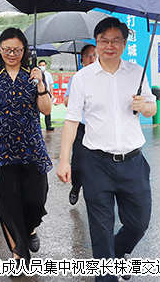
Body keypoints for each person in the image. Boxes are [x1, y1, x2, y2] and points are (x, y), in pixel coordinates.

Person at [56, 17, 156, 282]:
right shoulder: (82, 78)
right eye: (103, 40)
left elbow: (152, 108)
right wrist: (64, 160)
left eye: (115, 41)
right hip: (96, 163)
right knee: (100, 229)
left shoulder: (137, 72)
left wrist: (142, 106)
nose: (109, 46)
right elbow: (71, 120)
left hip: (133, 161)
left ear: (124, 43)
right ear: (96, 42)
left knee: (139, 222)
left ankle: (118, 251)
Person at [0, 28, 52, 264]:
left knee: (36, 201)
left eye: (17, 50)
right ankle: (18, 253)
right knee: (8, 206)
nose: (11, 54)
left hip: (32, 148)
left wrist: (40, 83)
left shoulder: (32, 75)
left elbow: (46, 109)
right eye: (6, 50)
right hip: (2, 151)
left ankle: (31, 228)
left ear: (25, 50)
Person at [62, 43, 98, 206]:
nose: (91, 59)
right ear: (82, 60)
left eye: (94, 55)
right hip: (81, 128)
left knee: (98, 165)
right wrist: (79, 97)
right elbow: (66, 101)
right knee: (77, 164)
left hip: (98, 128)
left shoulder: (104, 77)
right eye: (88, 56)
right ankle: (76, 187)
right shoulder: (77, 78)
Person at [38, 59, 55, 131]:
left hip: (47, 92)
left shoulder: (48, 75)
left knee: (48, 110)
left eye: (43, 65)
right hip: (39, 92)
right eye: (40, 65)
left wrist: (52, 94)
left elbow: (51, 85)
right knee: (37, 110)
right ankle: (38, 126)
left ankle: (48, 125)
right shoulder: (36, 73)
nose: (42, 66)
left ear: (46, 66)